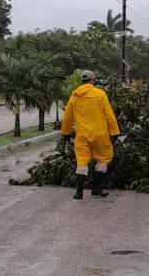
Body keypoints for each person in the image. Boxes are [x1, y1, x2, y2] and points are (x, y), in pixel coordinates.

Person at [61, 70, 120, 200]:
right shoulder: (100, 94)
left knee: (82, 161)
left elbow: (67, 117)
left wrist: (65, 133)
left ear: (82, 81)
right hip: (100, 134)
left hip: (82, 135)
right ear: (93, 80)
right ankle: (97, 190)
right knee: (103, 158)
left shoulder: (74, 96)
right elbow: (109, 114)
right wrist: (115, 132)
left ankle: (79, 192)